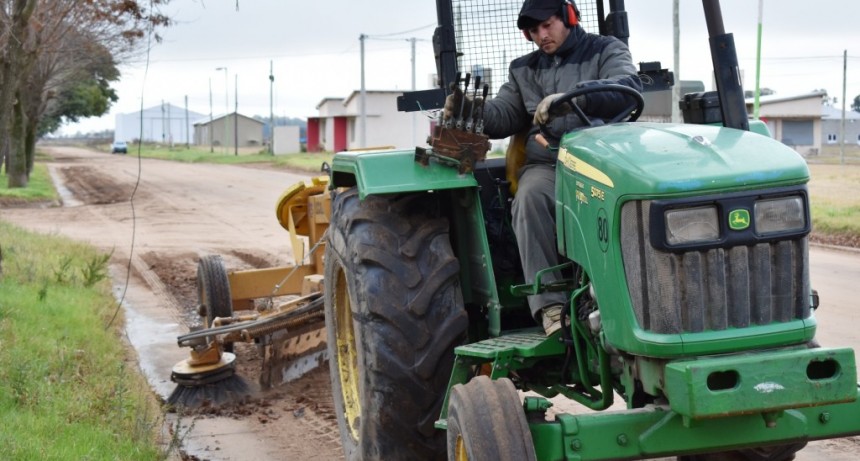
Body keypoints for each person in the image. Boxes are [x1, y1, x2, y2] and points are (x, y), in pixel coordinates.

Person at [444, 0, 642, 335]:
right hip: (550, 164)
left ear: (569, 16)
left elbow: (625, 88)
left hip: (603, 162)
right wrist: (473, 110)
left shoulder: (607, 50)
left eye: (547, 25)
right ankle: (551, 307)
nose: (541, 36)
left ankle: (634, 296)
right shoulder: (523, 70)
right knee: (530, 196)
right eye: (534, 31)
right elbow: (505, 114)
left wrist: (575, 97)